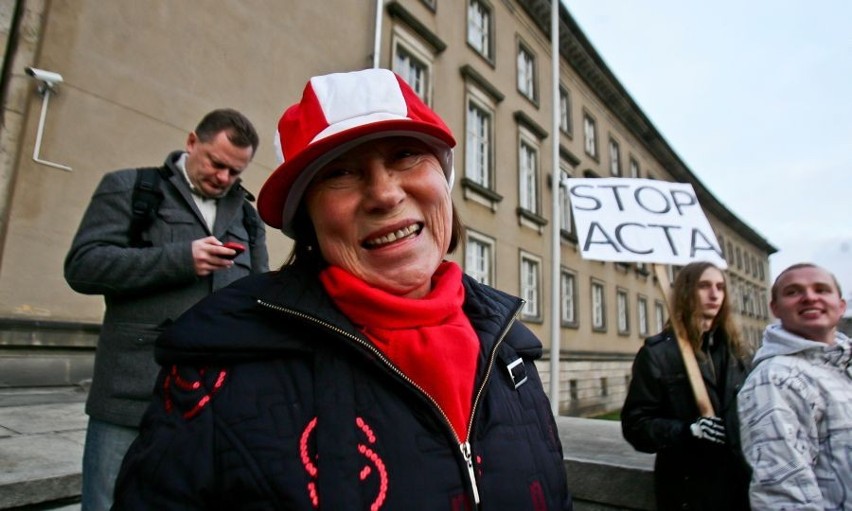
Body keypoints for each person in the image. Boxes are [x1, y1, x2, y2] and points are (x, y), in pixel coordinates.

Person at [111, 68, 572, 510]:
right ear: (308, 220)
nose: (385, 193)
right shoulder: (220, 373)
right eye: (340, 173)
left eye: (405, 156)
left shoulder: (512, 350)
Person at [64, 108, 268, 511]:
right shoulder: (130, 187)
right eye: (217, 163)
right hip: (130, 393)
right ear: (192, 142)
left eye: (235, 172)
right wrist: (179, 259)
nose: (224, 178)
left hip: (210, 400)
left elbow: (256, 294)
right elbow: (82, 267)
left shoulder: (247, 215)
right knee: (106, 502)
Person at [621, 261, 752, 510]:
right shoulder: (659, 354)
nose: (714, 294)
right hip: (688, 492)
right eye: (704, 286)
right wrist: (688, 431)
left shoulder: (741, 353)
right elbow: (636, 426)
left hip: (740, 488)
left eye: (720, 287)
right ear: (686, 292)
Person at [737, 263, 850, 510]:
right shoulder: (775, 378)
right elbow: (782, 492)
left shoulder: (845, 367)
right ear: (775, 309)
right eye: (793, 292)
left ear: (841, 306)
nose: (810, 297)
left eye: (821, 289)